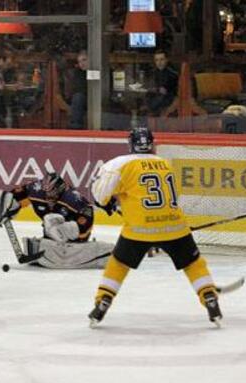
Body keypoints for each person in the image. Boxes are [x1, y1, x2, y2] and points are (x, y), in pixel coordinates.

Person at [88, 128, 222, 327]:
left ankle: (103, 300)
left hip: (138, 230)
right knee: (193, 263)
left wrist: (107, 203)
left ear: (131, 144)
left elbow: (100, 195)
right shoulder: (164, 163)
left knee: (119, 263)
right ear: (151, 144)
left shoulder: (119, 164)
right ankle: (209, 296)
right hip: (174, 226)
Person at [0, 173, 112, 269]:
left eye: (53, 193)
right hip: (51, 236)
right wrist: (5, 205)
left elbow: (85, 226)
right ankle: (52, 248)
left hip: (74, 236)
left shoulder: (74, 199)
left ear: (61, 190)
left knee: (50, 219)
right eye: (46, 193)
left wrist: (66, 232)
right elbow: (15, 194)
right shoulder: (36, 190)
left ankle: (68, 251)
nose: (48, 197)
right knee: (48, 225)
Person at [144, 51, 178, 116]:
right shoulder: (153, 72)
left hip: (168, 99)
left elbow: (165, 90)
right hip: (155, 97)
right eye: (157, 60)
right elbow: (150, 85)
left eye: (161, 59)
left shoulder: (172, 74)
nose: (159, 62)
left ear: (166, 60)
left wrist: (155, 89)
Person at [67, 50, 89, 129]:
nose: (81, 64)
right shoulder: (78, 73)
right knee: (78, 97)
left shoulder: (101, 70)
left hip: (98, 99)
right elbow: (78, 89)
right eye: (79, 61)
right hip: (84, 99)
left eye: (84, 60)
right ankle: (75, 127)